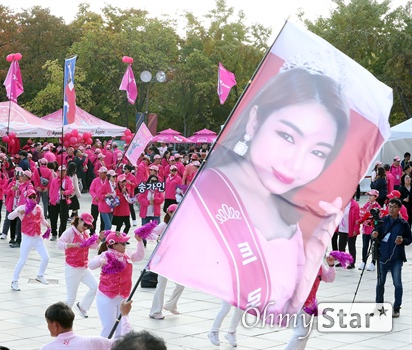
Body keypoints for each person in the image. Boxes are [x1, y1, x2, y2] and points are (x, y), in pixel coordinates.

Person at [149, 66, 352, 320]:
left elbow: (286, 307)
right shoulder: (208, 192)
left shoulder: (292, 221)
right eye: (287, 136)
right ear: (254, 121)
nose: (295, 163)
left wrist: (314, 251)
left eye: (318, 152)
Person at [89, 231, 144, 338]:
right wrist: (101, 261)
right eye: (122, 244)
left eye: (125, 243)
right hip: (106, 296)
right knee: (108, 327)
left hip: (123, 296)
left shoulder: (127, 254)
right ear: (114, 245)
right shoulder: (105, 255)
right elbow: (90, 265)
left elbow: (139, 256)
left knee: (121, 329)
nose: (125, 246)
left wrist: (140, 242)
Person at [284, 255, 336, 350]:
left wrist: (331, 266)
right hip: (297, 303)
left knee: (304, 333)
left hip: (309, 304)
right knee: (301, 333)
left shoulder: (318, 264)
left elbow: (329, 278)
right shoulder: (298, 262)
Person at [372, 198, 412, 318]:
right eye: (389, 206)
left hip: (396, 258)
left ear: (399, 208)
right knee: (380, 283)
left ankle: (396, 307)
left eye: (394, 207)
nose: (391, 209)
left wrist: (402, 240)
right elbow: (375, 232)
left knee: (397, 283)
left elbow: (409, 239)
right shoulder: (383, 221)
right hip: (382, 256)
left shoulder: (403, 224)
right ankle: (379, 306)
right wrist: (374, 233)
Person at [40, 300, 133, 350]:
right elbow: (127, 343)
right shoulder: (93, 342)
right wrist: (124, 315)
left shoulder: (47, 348)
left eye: (48, 323)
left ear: (56, 325)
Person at [57, 213, 100, 318]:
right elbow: (59, 244)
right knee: (71, 298)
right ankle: (60, 319)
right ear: (79, 220)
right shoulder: (70, 232)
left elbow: (92, 246)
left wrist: (99, 239)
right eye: (85, 224)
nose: (85, 227)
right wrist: (72, 245)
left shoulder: (85, 234)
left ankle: (82, 307)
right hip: (72, 268)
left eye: (88, 226)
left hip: (84, 267)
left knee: (95, 287)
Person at [9, 190, 51, 291]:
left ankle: (40, 275)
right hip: (27, 237)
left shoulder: (38, 208)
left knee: (46, 257)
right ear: (26, 198)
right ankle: (14, 281)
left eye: (34, 196)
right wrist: (18, 212)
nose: (33, 199)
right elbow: (10, 217)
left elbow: (42, 219)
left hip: (37, 237)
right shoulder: (22, 208)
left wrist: (46, 224)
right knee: (22, 260)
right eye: (30, 197)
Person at [149, 204, 184, 319]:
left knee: (181, 284)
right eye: (174, 212)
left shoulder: (180, 225)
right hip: (162, 259)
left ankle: (171, 304)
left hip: (174, 259)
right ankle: (155, 311)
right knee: (161, 285)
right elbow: (150, 233)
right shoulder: (164, 225)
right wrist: (158, 239)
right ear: (169, 213)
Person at [331, 196, 360, 269]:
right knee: (341, 245)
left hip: (350, 229)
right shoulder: (341, 204)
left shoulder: (354, 205)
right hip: (342, 228)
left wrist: (355, 229)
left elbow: (357, 219)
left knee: (351, 246)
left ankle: (352, 263)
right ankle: (342, 261)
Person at [358, 190, 382, 271]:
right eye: (369, 195)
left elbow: (379, 217)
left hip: (373, 229)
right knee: (365, 246)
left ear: (376, 197)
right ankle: (363, 261)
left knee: (373, 246)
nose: (369, 197)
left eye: (371, 195)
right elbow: (362, 213)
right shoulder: (367, 205)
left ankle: (373, 262)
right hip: (365, 229)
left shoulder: (378, 207)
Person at [48, 165, 73, 241]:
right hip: (54, 202)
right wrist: (52, 198)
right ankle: (54, 233)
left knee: (63, 219)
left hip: (64, 201)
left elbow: (71, 189)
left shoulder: (68, 180)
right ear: (58, 172)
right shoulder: (54, 180)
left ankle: (61, 234)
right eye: (60, 171)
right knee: (53, 219)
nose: (62, 173)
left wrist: (65, 192)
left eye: (64, 171)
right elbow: (51, 191)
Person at [90, 167, 108, 234]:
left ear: (105, 173)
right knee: (93, 218)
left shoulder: (108, 181)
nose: (99, 174)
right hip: (95, 203)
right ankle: (92, 232)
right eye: (99, 173)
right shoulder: (95, 180)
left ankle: (102, 232)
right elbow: (91, 190)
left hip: (104, 203)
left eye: (101, 173)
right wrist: (95, 196)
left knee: (103, 219)